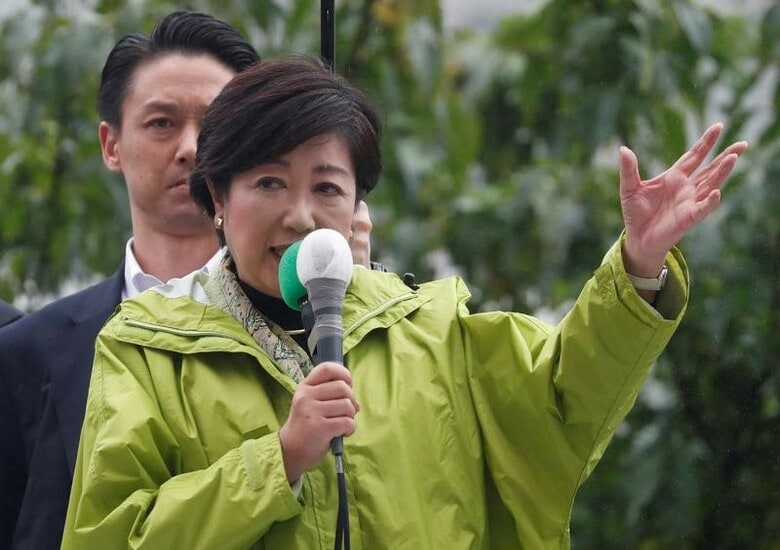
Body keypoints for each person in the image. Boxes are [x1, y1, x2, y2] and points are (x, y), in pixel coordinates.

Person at [62, 56, 747, 549]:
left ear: (358, 206)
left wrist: (638, 262)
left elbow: (563, 402)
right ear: (217, 200)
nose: (300, 215)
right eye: (268, 183)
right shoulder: (144, 348)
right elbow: (110, 536)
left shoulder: (432, 328)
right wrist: (281, 458)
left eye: (327, 188)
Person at [0, 12, 376, 549]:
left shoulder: (344, 320)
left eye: (216, 123)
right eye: (162, 123)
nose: (191, 148)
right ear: (110, 144)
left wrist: (347, 287)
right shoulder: (24, 353)